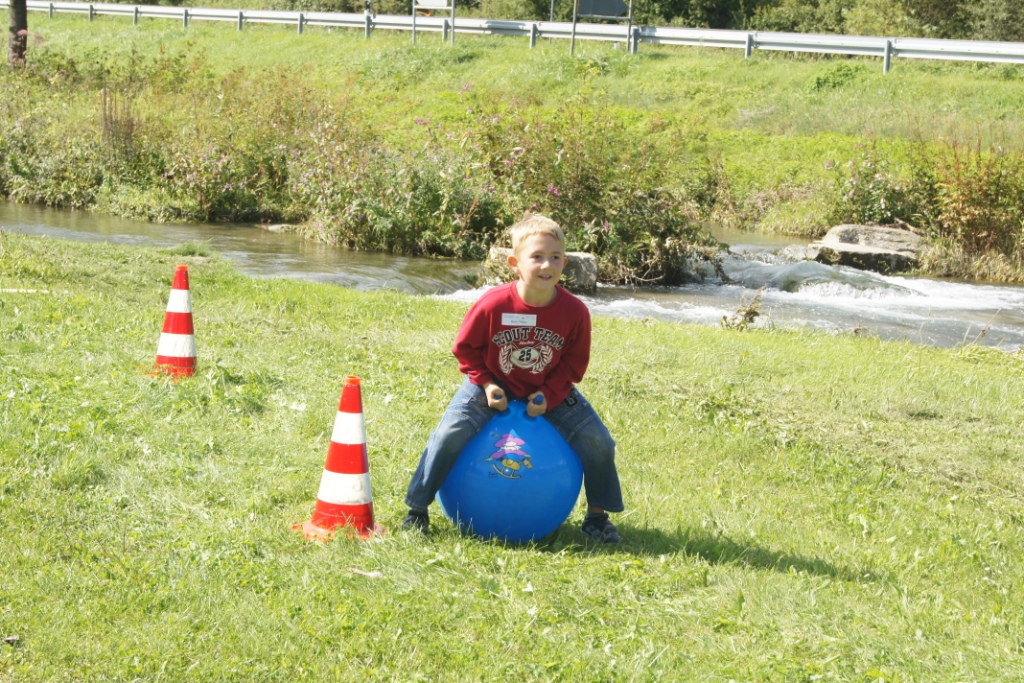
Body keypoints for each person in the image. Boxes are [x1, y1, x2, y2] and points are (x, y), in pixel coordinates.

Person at [402, 214, 624, 543]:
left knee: (598, 441)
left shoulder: (575, 312)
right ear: (515, 263)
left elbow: (573, 364)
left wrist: (550, 394)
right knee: (448, 432)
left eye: (556, 257)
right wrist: (487, 383)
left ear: (565, 263)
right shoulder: (493, 304)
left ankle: (596, 518)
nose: (547, 265)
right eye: (537, 256)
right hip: (492, 383)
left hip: (549, 389)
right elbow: (465, 348)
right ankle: (417, 509)